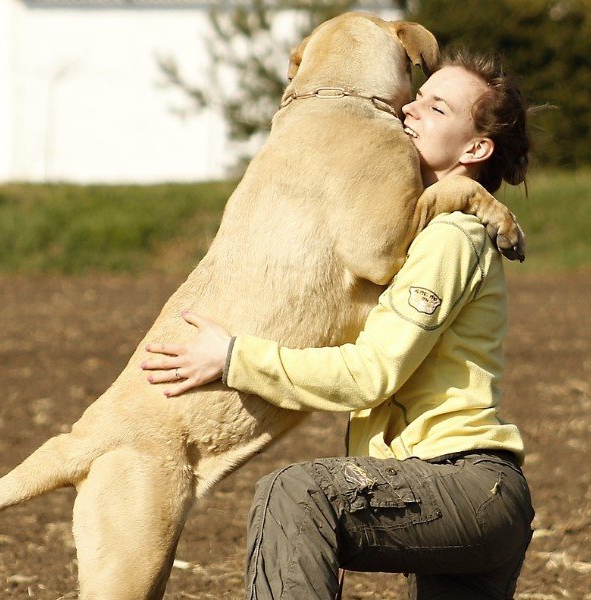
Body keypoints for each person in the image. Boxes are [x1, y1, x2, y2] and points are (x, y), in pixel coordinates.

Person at [141, 48, 535, 600]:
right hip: (464, 494)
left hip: (464, 485)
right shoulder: (417, 232)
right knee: (313, 504)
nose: (410, 111)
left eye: (437, 108)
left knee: (295, 494)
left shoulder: (452, 236)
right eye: (416, 98)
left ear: (475, 147)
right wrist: (327, 539)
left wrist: (233, 357)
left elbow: (371, 374)